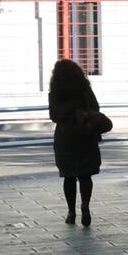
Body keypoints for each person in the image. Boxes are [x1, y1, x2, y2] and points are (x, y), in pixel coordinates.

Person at [48, 58, 109, 226]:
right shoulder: (85, 89)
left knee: (68, 177)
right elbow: (95, 108)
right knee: (85, 176)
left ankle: (71, 212)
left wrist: (68, 113)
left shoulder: (55, 92)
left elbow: (54, 116)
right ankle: (86, 207)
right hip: (85, 137)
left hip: (65, 139)